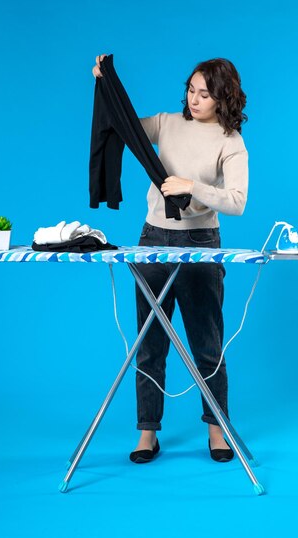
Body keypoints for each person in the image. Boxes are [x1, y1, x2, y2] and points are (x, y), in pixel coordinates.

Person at [92, 54, 249, 463]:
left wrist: (190, 185)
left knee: (207, 342)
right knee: (149, 342)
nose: (194, 100)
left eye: (204, 94)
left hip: (201, 242)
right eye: (190, 90)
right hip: (152, 240)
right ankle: (147, 433)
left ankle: (217, 428)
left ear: (223, 98)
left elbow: (237, 201)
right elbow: (121, 125)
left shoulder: (230, 141)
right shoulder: (166, 123)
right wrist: (105, 83)